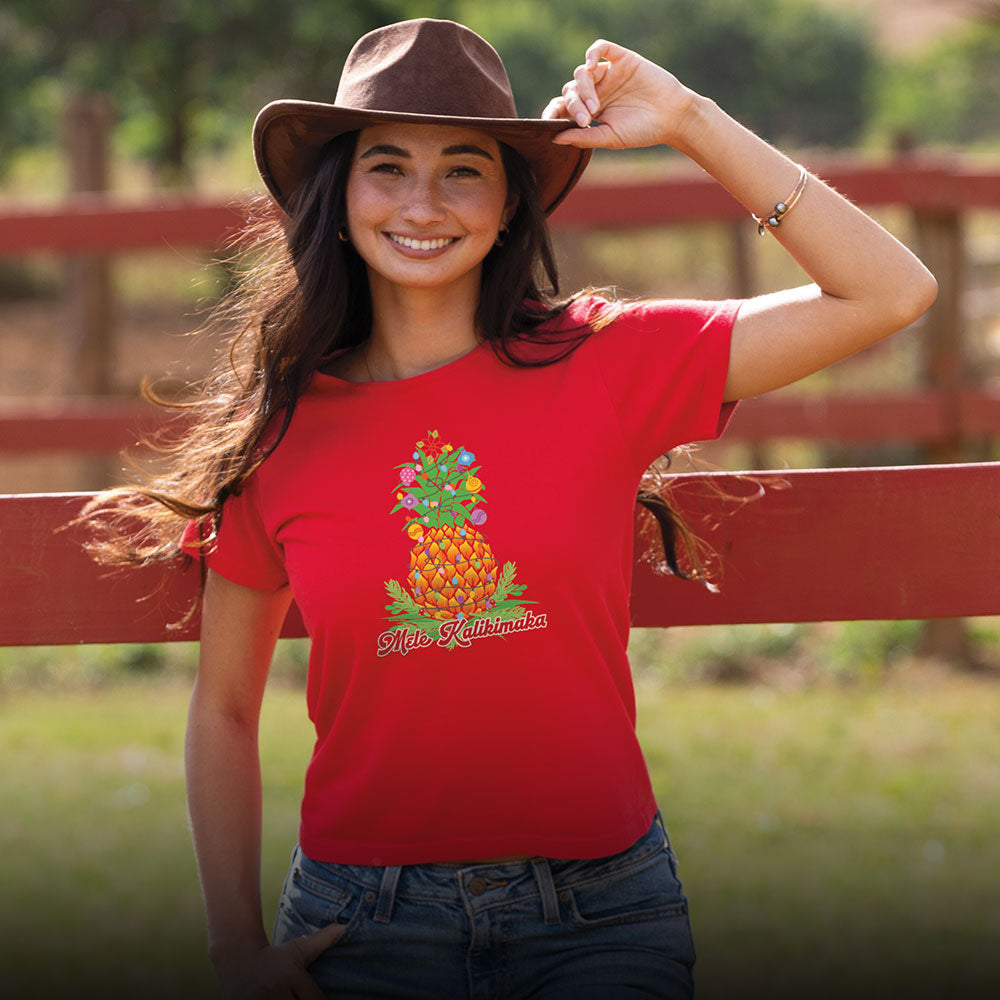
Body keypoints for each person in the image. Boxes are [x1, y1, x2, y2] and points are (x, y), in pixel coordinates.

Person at [84, 17, 936, 1000]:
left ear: (506, 206)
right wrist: (233, 946)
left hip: (603, 916)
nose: (421, 202)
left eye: (463, 170)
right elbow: (224, 710)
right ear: (339, 194)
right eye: (387, 166)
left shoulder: (606, 361)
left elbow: (888, 292)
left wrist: (689, 120)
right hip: (362, 924)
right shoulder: (280, 432)